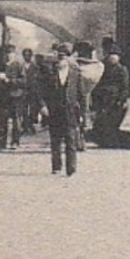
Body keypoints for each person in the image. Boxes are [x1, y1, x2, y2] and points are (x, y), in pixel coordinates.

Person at [44, 43, 92, 176]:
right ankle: (56, 166)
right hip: (54, 110)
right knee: (55, 139)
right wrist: (43, 106)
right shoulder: (50, 74)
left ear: (68, 59)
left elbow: (82, 95)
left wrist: (83, 113)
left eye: (64, 57)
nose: (61, 60)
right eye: (59, 57)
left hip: (71, 110)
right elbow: (43, 91)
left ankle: (71, 168)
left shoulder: (75, 74)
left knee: (71, 139)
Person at [89, 49, 130, 148]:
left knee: (113, 120)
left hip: (114, 98)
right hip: (102, 97)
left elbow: (125, 86)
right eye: (111, 56)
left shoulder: (122, 69)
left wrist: (121, 99)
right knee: (102, 119)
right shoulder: (103, 68)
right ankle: (102, 141)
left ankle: (112, 142)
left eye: (115, 56)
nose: (112, 58)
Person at [0, 46, 25, 150]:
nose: (8, 56)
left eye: (10, 53)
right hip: (3, 96)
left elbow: (23, 81)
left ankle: (15, 142)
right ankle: (1, 143)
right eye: (7, 54)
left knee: (16, 121)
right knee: (2, 120)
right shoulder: (1, 66)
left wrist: (9, 80)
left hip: (15, 96)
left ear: (14, 55)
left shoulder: (19, 65)